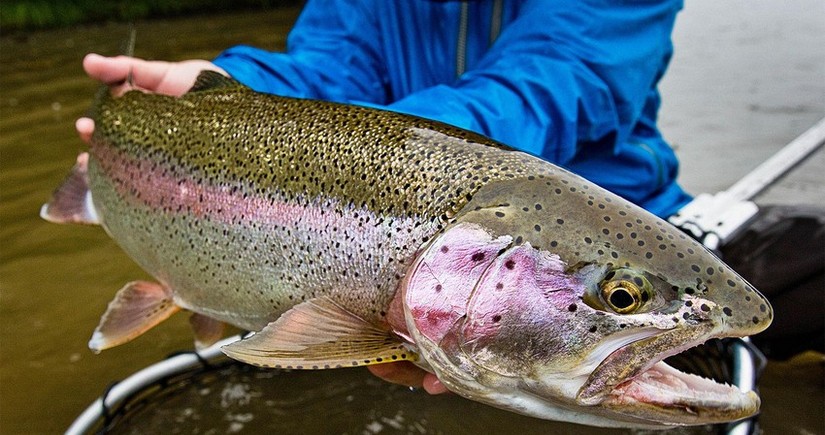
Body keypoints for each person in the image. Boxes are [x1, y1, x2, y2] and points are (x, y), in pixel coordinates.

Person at [76, 1, 696, 393]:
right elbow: (324, 72)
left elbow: (546, 84)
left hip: (621, 238)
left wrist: (325, 149)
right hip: (413, 263)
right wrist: (236, 98)